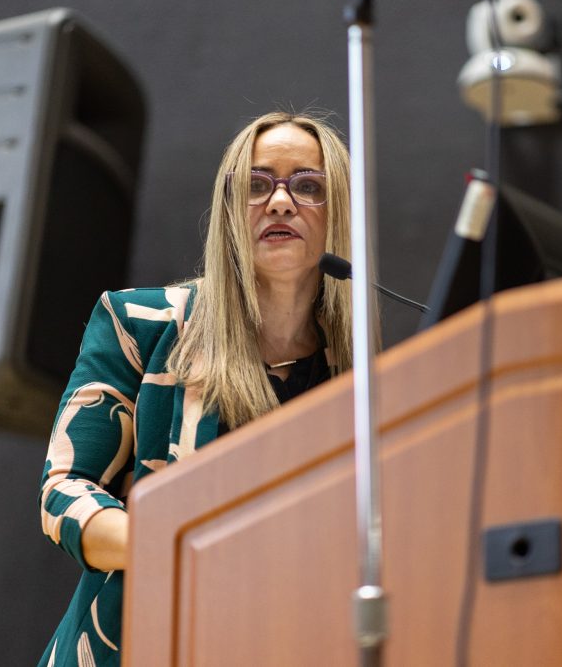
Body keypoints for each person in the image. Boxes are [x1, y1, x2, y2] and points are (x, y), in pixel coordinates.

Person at [37, 111, 356, 666]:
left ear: (339, 216)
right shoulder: (140, 322)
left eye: (308, 186)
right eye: (257, 185)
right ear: (230, 209)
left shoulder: (353, 380)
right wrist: (185, 546)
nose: (281, 202)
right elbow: (64, 492)